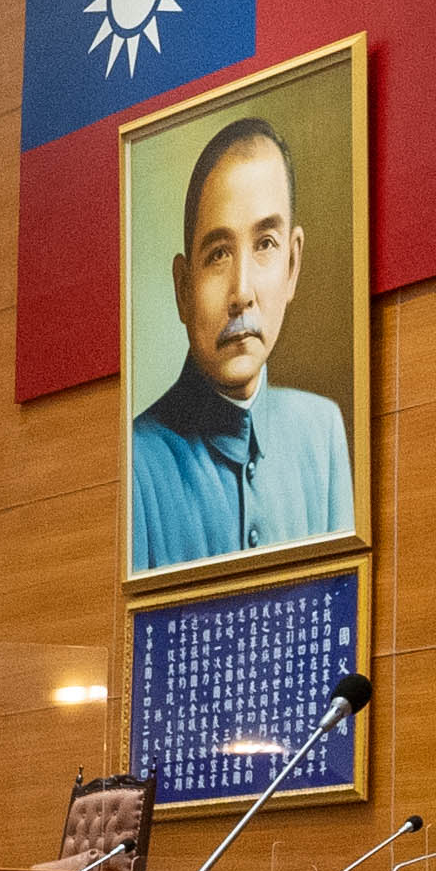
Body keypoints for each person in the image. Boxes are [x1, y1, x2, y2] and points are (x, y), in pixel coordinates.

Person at [129, 114, 355, 569]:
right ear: (183, 287)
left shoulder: (322, 432)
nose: (242, 293)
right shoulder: (137, 463)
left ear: (292, 265)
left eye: (265, 244)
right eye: (219, 254)